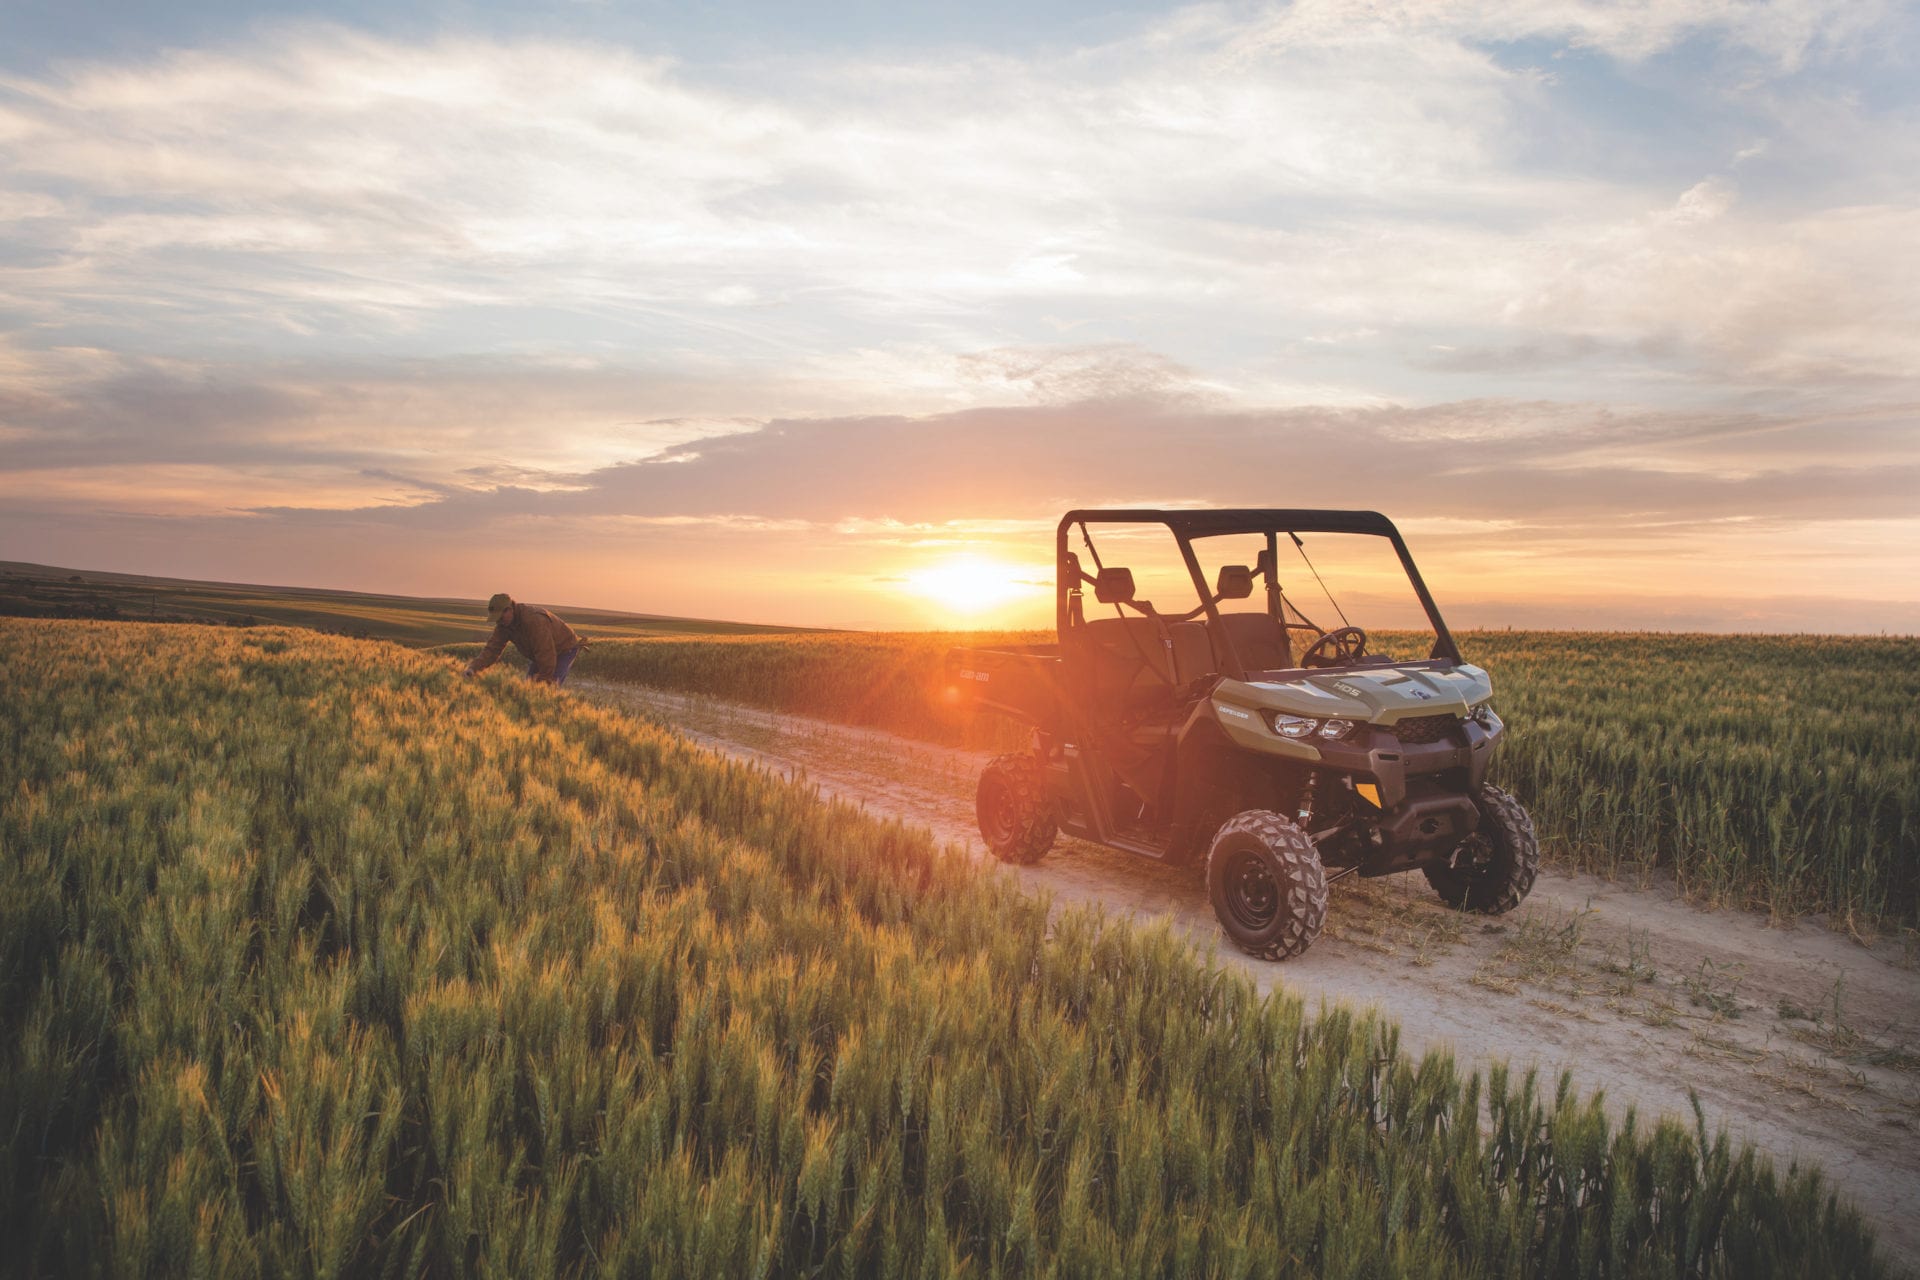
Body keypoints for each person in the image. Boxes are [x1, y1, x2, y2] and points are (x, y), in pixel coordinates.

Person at [462, 593, 587, 687]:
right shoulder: (504, 625)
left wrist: (544, 680)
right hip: (540, 653)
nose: (498, 621)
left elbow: (546, 652)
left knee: (547, 687)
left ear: (509, 610)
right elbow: (492, 649)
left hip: (564, 649)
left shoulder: (534, 621)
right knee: (529, 686)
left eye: (500, 617)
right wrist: (473, 668)